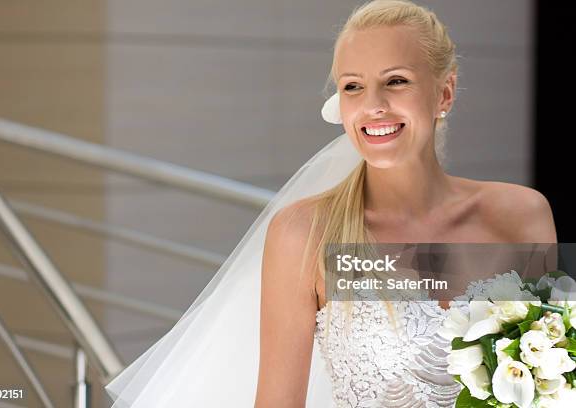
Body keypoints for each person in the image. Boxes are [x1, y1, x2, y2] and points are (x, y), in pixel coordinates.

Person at [105, 1, 557, 407]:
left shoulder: (522, 215)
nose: (374, 106)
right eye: (353, 87)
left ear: (444, 93)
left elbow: (554, 384)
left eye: (396, 81)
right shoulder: (305, 234)